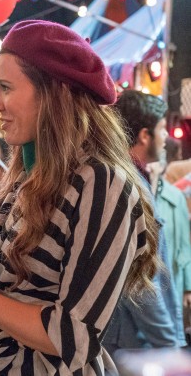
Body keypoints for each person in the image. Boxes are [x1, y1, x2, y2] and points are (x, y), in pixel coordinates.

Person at [0, 20, 160, 374]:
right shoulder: (29, 175)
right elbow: (16, 304)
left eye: (6, 88)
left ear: (54, 92)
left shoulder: (101, 183)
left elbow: (74, 337)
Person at [102, 90, 185, 355]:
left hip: (132, 340)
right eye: (161, 129)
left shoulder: (128, 179)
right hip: (132, 344)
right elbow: (139, 281)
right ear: (144, 135)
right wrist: (168, 343)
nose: (166, 136)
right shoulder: (129, 187)